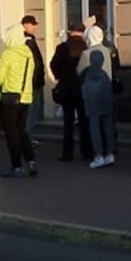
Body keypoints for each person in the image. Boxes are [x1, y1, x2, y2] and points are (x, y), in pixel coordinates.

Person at [0, 23, 38, 178]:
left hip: (8, 97)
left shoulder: (8, 53)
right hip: (25, 97)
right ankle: (31, 160)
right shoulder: (28, 53)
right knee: (21, 130)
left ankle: (16, 166)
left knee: (11, 133)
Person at [50, 24, 91, 161]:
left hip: (66, 89)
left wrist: (60, 76)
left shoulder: (62, 48)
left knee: (68, 122)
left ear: (70, 33)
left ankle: (67, 153)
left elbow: (53, 65)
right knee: (84, 121)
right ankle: (87, 151)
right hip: (83, 88)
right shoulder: (86, 48)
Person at [79, 46, 116, 168]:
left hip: (92, 104)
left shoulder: (87, 73)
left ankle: (98, 154)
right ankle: (110, 153)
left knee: (94, 130)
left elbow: (79, 78)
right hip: (106, 103)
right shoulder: (104, 74)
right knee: (108, 128)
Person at [20, 15, 47, 142]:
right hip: (33, 82)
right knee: (31, 111)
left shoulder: (30, 40)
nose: (35, 27)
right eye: (32, 24)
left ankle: (27, 135)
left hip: (34, 81)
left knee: (32, 111)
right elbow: (34, 63)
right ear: (25, 25)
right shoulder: (27, 42)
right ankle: (27, 136)